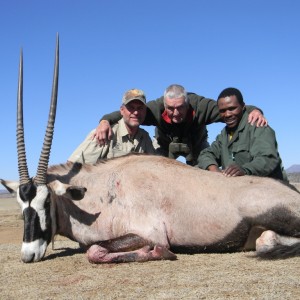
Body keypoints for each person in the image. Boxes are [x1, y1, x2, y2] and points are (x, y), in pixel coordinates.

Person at [94, 84, 267, 166]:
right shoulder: (154, 109)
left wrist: (255, 110)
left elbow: (231, 110)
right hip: (165, 146)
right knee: (156, 171)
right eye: (170, 108)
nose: (175, 113)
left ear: (187, 103)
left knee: (205, 171)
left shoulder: (202, 106)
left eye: (180, 108)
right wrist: (104, 120)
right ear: (164, 103)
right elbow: (128, 112)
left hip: (196, 145)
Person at [197, 87, 287, 181]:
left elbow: (268, 159)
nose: (227, 114)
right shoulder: (224, 134)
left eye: (232, 108)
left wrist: (245, 170)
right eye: (222, 111)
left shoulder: (257, 126)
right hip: (240, 188)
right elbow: (206, 154)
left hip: (270, 187)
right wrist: (214, 170)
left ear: (243, 106)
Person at [68, 89, 155, 164]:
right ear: (122, 110)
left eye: (140, 108)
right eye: (131, 108)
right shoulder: (103, 133)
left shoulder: (145, 137)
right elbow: (72, 167)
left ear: (145, 111)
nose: (136, 112)